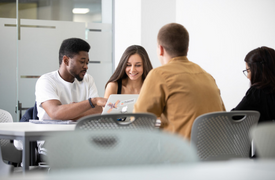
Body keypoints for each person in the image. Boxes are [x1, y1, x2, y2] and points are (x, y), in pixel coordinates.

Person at [134, 23, 225, 140]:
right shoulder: (207, 76)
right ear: (187, 49)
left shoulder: (159, 75)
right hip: (215, 154)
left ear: (160, 49)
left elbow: (138, 121)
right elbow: (222, 116)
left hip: (181, 155)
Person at [36, 37, 107, 121]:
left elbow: (98, 110)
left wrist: (68, 113)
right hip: (52, 133)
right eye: (82, 62)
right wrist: (92, 102)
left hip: (79, 132)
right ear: (66, 60)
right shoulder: (46, 81)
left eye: (87, 63)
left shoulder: (88, 79)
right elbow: (55, 113)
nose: (86, 66)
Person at [232, 46, 275, 123]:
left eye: (248, 71)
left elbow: (233, 117)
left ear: (258, 71)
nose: (248, 76)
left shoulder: (257, 92)